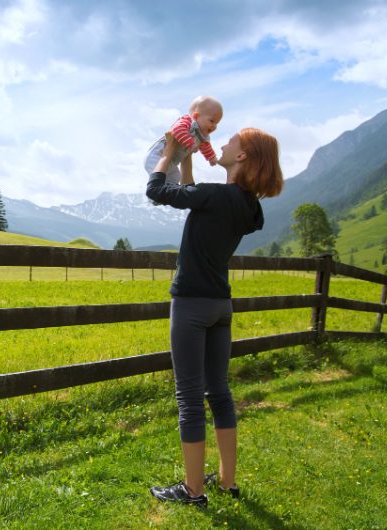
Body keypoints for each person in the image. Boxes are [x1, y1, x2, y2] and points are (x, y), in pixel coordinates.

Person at [144, 127, 284, 507]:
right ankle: (226, 481)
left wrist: (170, 150)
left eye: (231, 142)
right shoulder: (248, 206)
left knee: (189, 398)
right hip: (220, 307)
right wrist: (188, 157)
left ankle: (193, 490)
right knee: (219, 393)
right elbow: (195, 198)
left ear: (242, 157)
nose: (222, 144)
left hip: (190, 304)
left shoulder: (216, 195)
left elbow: (156, 190)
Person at [144, 96, 223, 188]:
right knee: (159, 179)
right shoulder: (187, 121)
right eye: (212, 121)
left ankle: (159, 198)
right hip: (157, 156)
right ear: (196, 116)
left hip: (171, 162)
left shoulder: (202, 136)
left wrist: (211, 157)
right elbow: (177, 130)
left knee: (176, 177)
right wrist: (191, 144)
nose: (214, 126)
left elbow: (205, 146)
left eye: (216, 123)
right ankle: (154, 194)